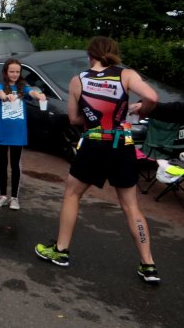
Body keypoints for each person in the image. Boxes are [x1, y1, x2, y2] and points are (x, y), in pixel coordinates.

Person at [35, 36, 161, 284]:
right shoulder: (126, 75)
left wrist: (92, 117)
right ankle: (149, 265)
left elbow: (73, 119)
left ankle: (61, 251)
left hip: (94, 142)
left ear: (89, 55)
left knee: (72, 194)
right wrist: (139, 109)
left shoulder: (78, 80)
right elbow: (153, 98)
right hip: (121, 143)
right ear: (114, 53)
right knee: (131, 206)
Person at [0, 58, 46, 210]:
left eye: (17, 71)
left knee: (15, 165)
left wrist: (39, 95)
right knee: (2, 164)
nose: (14, 74)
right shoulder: (0, 85)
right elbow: (0, 93)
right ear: (6, 72)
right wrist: (6, 96)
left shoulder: (23, 87)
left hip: (18, 132)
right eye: (11, 71)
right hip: (1, 130)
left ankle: (14, 197)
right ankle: (2, 196)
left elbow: (32, 92)